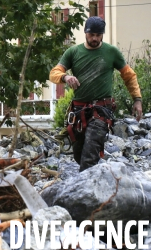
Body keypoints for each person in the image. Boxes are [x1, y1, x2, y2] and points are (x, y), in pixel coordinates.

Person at [49, 16, 142, 171]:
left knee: (90, 153)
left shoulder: (111, 52)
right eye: (91, 35)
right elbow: (54, 73)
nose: (94, 38)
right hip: (79, 111)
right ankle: (91, 177)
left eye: (98, 35)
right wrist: (66, 76)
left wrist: (137, 99)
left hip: (101, 111)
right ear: (85, 33)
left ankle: (85, 189)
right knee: (78, 154)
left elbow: (129, 75)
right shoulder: (73, 52)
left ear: (102, 35)